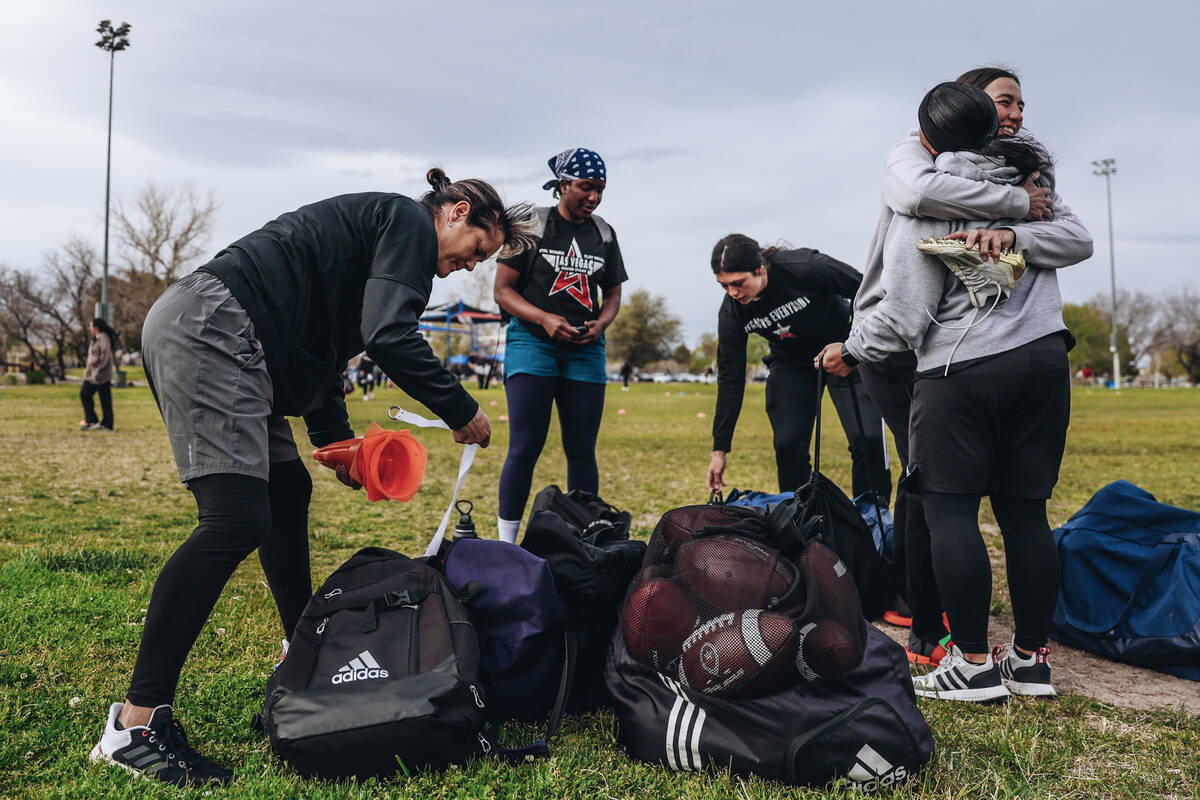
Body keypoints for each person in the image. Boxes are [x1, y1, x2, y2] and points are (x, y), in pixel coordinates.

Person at [89, 171, 537, 787]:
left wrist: (334, 442)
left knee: (287, 491)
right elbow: (387, 335)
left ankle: (300, 665)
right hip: (216, 326)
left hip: (250, 348)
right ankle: (134, 725)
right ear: (456, 211)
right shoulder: (407, 221)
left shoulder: (382, 246)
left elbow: (328, 344)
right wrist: (461, 410)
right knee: (235, 518)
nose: (468, 267)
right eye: (478, 250)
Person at [818, 81, 1092, 702]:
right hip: (1046, 359)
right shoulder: (1032, 185)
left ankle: (970, 664)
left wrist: (850, 348)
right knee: (1025, 514)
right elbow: (1079, 239)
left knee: (949, 513)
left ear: (929, 135)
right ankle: (1029, 661)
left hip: (962, 369)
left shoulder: (931, 195)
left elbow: (906, 315)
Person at [493, 148, 627, 543]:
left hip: (586, 350)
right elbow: (502, 291)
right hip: (533, 344)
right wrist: (543, 318)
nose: (594, 197)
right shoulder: (532, 223)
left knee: (582, 449)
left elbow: (615, 291)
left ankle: (586, 541)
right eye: (586, 187)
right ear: (563, 184)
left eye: (600, 190)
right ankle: (507, 543)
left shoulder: (603, 231)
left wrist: (601, 324)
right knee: (524, 447)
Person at [706, 235, 891, 504]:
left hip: (845, 351)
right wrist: (720, 450)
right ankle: (802, 519)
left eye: (738, 283)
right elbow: (730, 379)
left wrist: (853, 348)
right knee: (787, 445)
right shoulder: (732, 312)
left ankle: (874, 515)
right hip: (792, 363)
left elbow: (870, 294)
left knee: (868, 438)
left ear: (760, 269)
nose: (733, 292)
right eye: (724, 286)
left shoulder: (805, 267)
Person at [80, 317, 117, 431]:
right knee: (84, 394)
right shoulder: (96, 338)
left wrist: (99, 371)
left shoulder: (104, 338)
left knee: (105, 400)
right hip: (91, 375)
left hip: (101, 376)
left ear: (96, 327)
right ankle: (92, 421)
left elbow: (106, 356)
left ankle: (107, 424)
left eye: (91, 326)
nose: (90, 328)